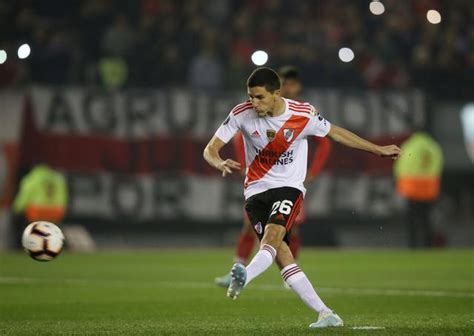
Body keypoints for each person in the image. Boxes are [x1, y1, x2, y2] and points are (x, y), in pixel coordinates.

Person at [203, 67, 400, 328]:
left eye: (260, 97)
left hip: (288, 188)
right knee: (280, 253)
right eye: (250, 96)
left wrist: (377, 149)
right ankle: (326, 313)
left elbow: (336, 133)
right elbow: (210, 148)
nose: (253, 103)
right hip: (255, 192)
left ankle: (244, 277)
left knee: (273, 239)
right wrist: (218, 162)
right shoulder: (241, 113)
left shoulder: (302, 114)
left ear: (276, 93)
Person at [214, 66, 332, 287]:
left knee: (290, 228)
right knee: (250, 226)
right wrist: (245, 165)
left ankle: (290, 272)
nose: (287, 87)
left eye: (290, 83)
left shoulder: (302, 113)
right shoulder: (257, 110)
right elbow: (241, 137)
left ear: (296, 86)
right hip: (261, 181)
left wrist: (313, 171)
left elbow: (325, 142)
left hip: (288, 182)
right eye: (284, 82)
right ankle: (236, 271)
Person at [394, 131, 443, 248]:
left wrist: (399, 184)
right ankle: (427, 245)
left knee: (412, 219)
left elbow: (400, 166)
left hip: (412, 188)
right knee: (426, 219)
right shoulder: (433, 146)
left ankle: (413, 245)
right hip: (429, 188)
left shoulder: (409, 145)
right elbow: (438, 165)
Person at [11, 164, 68, 248]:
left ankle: (33, 247)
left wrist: (16, 209)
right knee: (52, 232)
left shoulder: (32, 177)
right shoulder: (57, 178)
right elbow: (63, 195)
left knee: (33, 231)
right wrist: (62, 209)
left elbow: (25, 195)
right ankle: (54, 247)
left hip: (37, 211)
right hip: (55, 211)